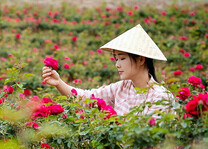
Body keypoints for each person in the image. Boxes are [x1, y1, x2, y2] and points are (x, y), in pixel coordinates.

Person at [42, 24, 174, 118]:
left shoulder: (160, 97)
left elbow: (154, 140)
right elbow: (87, 98)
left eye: (122, 58)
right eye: (116, 59)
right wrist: (58, 83)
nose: (117, 65)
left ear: (140, 60)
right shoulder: (121, 88)